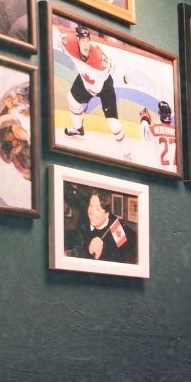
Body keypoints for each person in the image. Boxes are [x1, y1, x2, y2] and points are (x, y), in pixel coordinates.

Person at [54, 22, 132, 162]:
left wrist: (124, 74)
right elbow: (55, 36)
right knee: (71, 100)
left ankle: (127, 153)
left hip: (104, 87)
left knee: (113, 124)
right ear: (77, 40)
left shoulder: (98, 59)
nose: (86, 44)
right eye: (83, 40)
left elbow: (114, 65)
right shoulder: (68, 42)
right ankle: (78, 129)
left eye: (87, 40)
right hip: (85, 81)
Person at [83, 189, 136, 263]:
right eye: (91, 206)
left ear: (106, 214)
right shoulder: (84, 222)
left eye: (97, 209)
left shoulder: (116, 228)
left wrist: (103, 250)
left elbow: (124, 258)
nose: (92, 212)